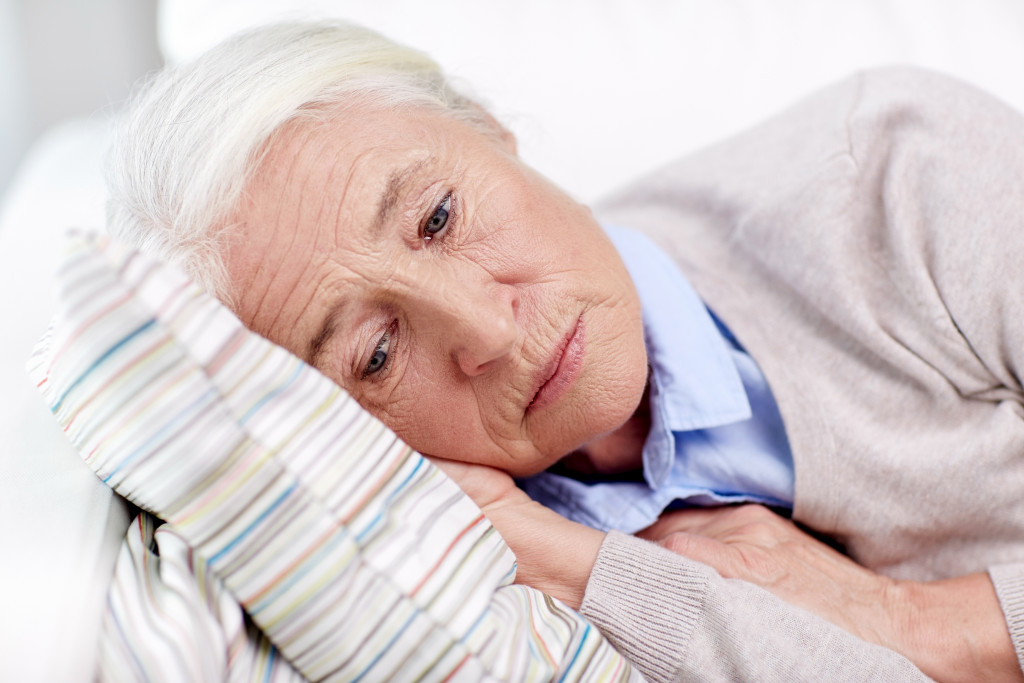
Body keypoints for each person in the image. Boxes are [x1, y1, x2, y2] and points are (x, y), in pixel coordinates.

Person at [105, 20, 1024, 682]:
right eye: (377, 356)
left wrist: (916, 625)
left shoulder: (898, 173)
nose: (491, 330)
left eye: (438, 216)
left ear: (487, 128)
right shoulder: (486, 581)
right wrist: (571, 564)